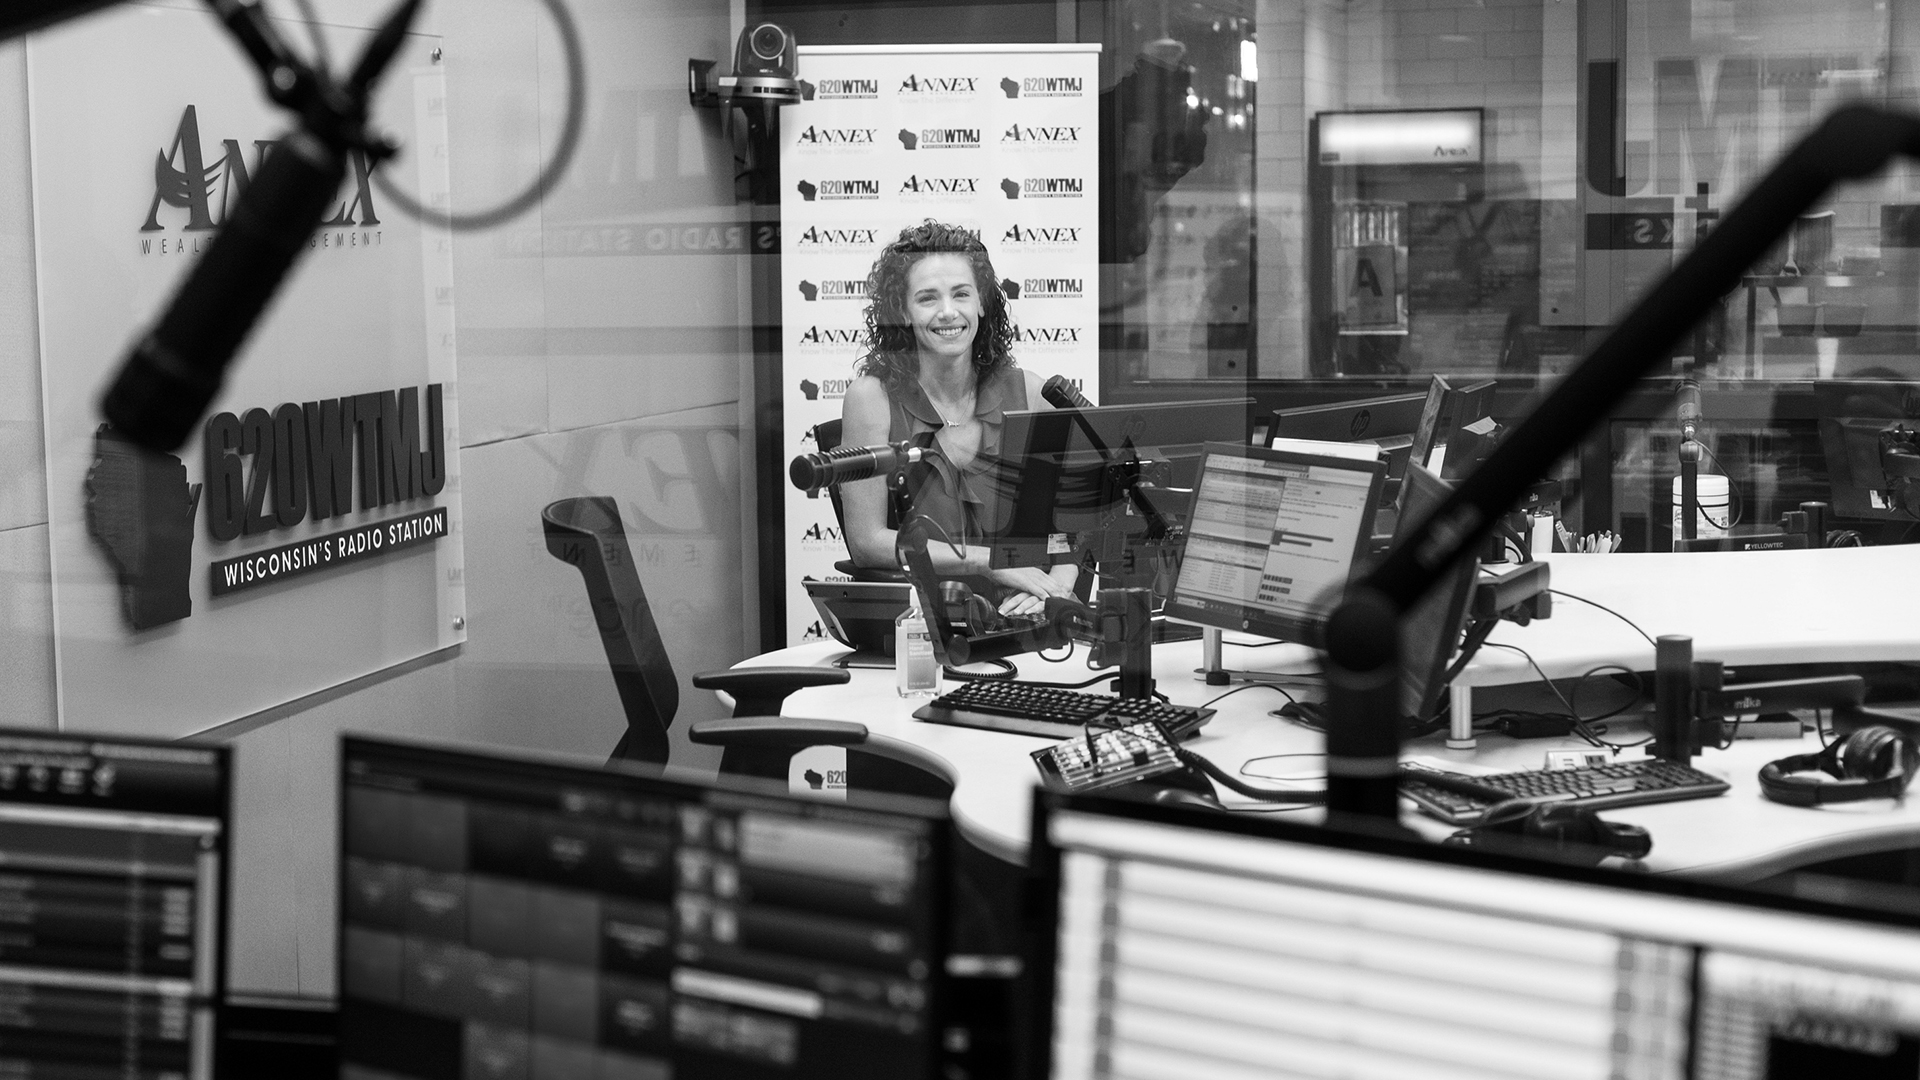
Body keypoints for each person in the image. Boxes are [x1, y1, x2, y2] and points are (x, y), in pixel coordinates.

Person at [840, 220, 1077, 617]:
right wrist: (987, 561)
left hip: (1025, 616)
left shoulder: (1031, 394)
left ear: (981, 304)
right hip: (923, 625)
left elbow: (1068, 533)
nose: (948, 312)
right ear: (903, 311)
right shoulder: (871, 399)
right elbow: (867, 543)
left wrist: (1054, 590)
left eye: (961, 294)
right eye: (928, 298)